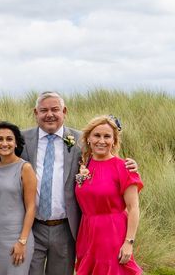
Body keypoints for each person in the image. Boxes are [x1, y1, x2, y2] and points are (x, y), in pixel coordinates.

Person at [21, 91, 139, 275]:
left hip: (67, 228)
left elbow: (106, 156)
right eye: (43, 110)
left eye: (55, 109)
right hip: (32, 226)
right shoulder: (21, 140)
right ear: (36, 112)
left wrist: (129, 165)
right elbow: (0, 158)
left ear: (64, 111)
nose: (49, 114)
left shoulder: (79, 141)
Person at [74, 115, 142, 274]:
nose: (101, 140)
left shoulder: (123, 167)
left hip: (112, 233)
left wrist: (129, 243)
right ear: (88, 138)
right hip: (87, 233)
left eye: (107, 136)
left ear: (114, 141)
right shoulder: (84, 164)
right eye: (97, 135)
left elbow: (133, 208)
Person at [0, 121, 37, 274]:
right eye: (0, 139)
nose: (4, 143)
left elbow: (31, 207)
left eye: (9, 139)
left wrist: (22, 241)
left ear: (16, 143)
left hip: (17, 237)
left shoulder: (25, 168)